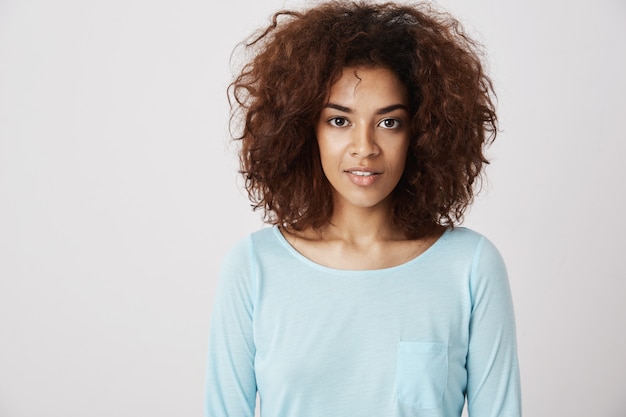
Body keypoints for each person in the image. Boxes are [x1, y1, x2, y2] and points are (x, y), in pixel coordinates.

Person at [205, 1, 521, 416]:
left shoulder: (470, 266)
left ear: (422, 132)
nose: (365, 147)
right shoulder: (254, 266)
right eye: (340, 121)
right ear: (305, 129)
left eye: (389, 122)